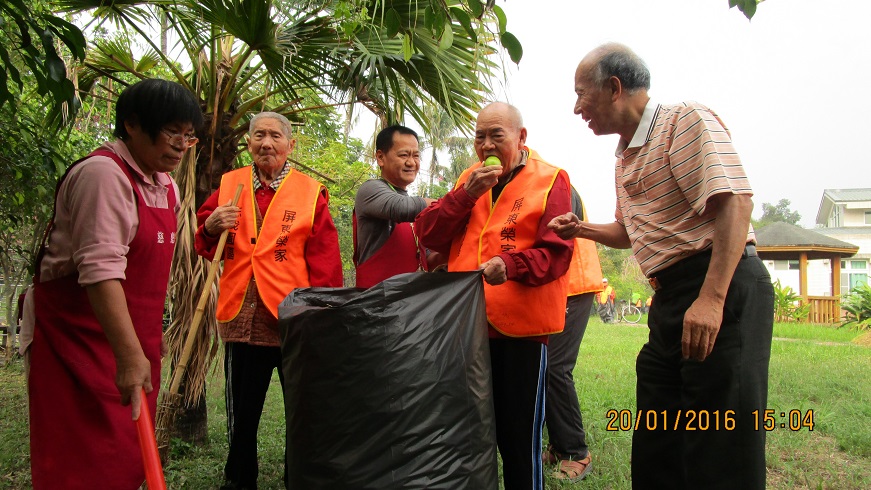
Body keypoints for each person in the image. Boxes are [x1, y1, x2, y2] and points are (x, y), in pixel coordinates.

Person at [549, 43, 774, 489]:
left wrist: (711, 299)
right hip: (669, 295)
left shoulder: (684, 121)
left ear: (614, 87)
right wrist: (582, 230)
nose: (576, 108)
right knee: (658, 438)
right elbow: (630, 231)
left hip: (720, 283)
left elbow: (734, 203)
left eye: (581, 94)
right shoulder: (624, 157)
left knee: (721, 437)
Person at [27, 78, 203, 489]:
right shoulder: (103, 175)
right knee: (79, 463)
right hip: (78, 344)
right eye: (171, 131)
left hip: (132, 346)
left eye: (188, 135)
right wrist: (127, 357)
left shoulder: (165, 184)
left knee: (125, 459)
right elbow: (100, 270)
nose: (180, 144)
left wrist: (138, 351)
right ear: (132, 124)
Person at [415, 101, 573, 490]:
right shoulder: (467, 180)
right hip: (465, 327)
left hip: (521, 332)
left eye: (496, 135)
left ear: (521, 138)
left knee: (518, 440)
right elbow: (428, 233)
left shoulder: (551, 179)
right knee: (466, 434)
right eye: (479, 136)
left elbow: (557, 253)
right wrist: (465, 195)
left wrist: (512, 265)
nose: (486, 144)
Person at [195, 111, 343, 489]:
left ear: (290, 145)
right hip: (242, 317)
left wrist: (321, 317)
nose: (267, 143)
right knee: (242, 415)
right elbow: (204, 237)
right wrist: (210, 227)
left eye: (276, 136)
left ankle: (302, 480)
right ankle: (239, 480)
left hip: (293, 320)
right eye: (259, 135)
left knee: (301, 411)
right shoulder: (230, 185)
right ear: (248, 143)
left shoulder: (310, 193)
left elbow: (326, 263)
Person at [542, 187, 603, 482]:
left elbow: (559, 233)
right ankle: (559, 445)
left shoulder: (552, 180)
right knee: (542, 367)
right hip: (549, 287)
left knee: (555, 366)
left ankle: (576, 452)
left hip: (571, 284)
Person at [353, 125, 436, 288]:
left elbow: (428, 260)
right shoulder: (370, 190)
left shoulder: (414, 207)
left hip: (410, 303)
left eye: (416, 156)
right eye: (404, 155)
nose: (411, 162)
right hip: (377, 303)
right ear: (380, 157)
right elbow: (402, 208)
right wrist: (455, 201)